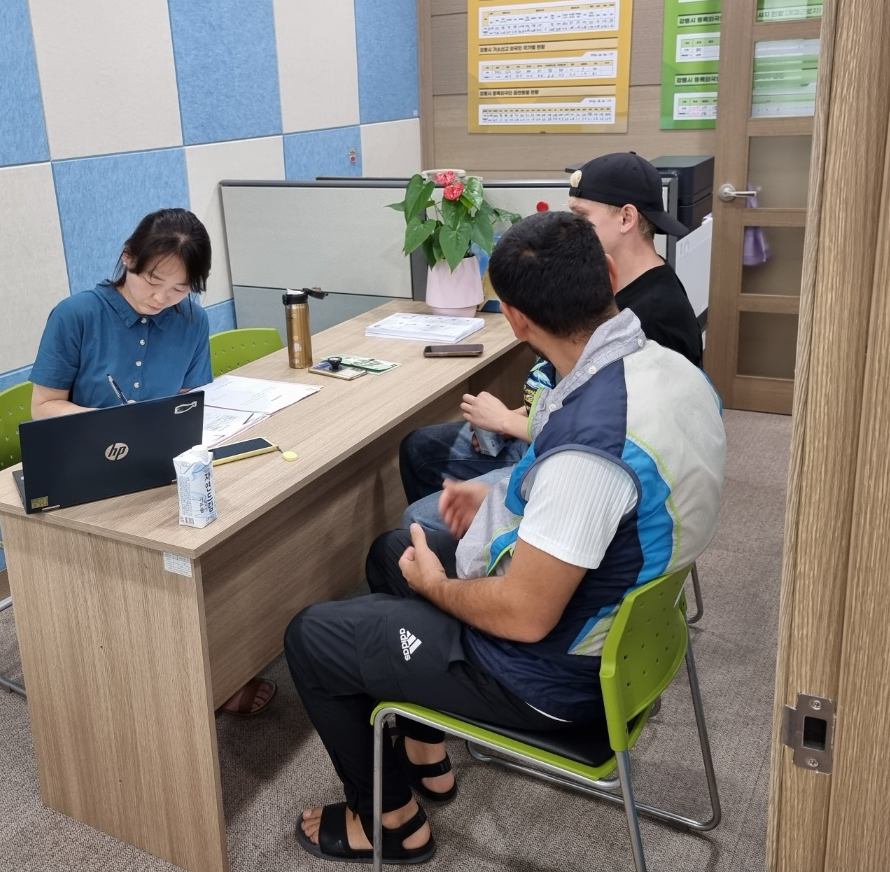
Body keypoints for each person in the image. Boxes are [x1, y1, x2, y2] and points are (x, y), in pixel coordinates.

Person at [285, 211, 725, 864]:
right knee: (392, 551)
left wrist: (436, 586)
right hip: (627, 625)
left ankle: (390, 824)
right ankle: (427, 753)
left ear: (516, 321)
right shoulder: (664, 369)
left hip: (552, 678)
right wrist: (499, 495)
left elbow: (524, 614)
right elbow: (609, 493)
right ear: (610, 277)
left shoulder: (591, 452)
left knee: (313, 636)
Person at [28, 207, 276, 716]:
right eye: (152, 281)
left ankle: (221, 669)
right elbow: (45, 406)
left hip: (163, 468)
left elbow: (192, 399)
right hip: (89, 471)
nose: (161, 299)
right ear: (128, 259)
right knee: (154, 569)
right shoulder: (76, 315)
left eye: (179, 289)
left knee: (229, 544)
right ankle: (155, 687)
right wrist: (120, 424)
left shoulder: (191, 319)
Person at [398, 151, 705, 529]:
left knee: (417, 522)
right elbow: (574, 389)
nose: (571, 230)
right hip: (551, 426)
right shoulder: (603, 285)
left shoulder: (654, 315)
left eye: (581, 218)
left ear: (626, 218)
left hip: (583, 462)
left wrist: (510, 423)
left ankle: (480, 550)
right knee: (420, 446)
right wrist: (514, 418)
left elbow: (624, 436)